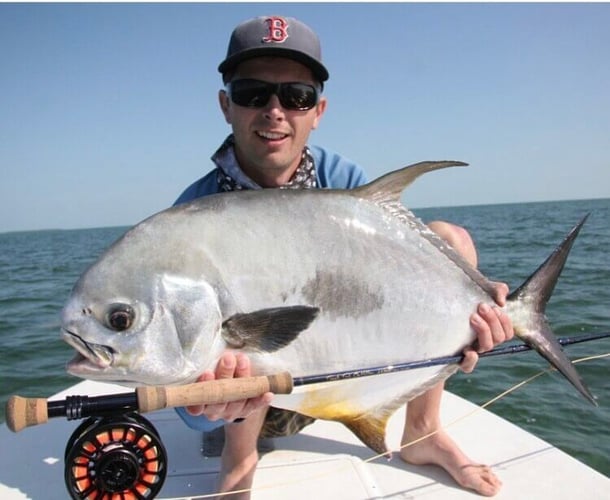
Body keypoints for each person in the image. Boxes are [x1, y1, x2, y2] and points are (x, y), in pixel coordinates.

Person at [173, 16, 514, 499]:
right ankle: (240, 455)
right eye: (253, 93)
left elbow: (402, 269)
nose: (275, 111)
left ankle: (423, 432)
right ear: (225, 105)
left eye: (296, 96)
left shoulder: (345, 180)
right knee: (241, 321)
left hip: (341, 366)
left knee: (450, 241)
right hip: (252, 400)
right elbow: (179, 362)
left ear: (318, 111)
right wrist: (200, 399)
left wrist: (475, 300)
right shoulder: (192, 216)